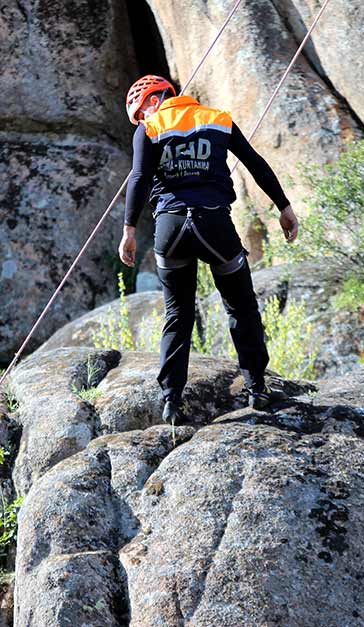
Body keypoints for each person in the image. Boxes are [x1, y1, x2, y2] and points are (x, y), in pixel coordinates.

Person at [118, 74, 299, 424]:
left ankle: (171, 400)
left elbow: (139, 177)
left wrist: (129, 230)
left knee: (177, 314)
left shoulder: (150, 129)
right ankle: (257, 387)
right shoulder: (219, 119)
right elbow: (254, 162)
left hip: (169, 230)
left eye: (140, 112)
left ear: (154, 100)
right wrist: (284, 207)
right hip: (214, 224)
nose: (141, 120)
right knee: (241, 305)